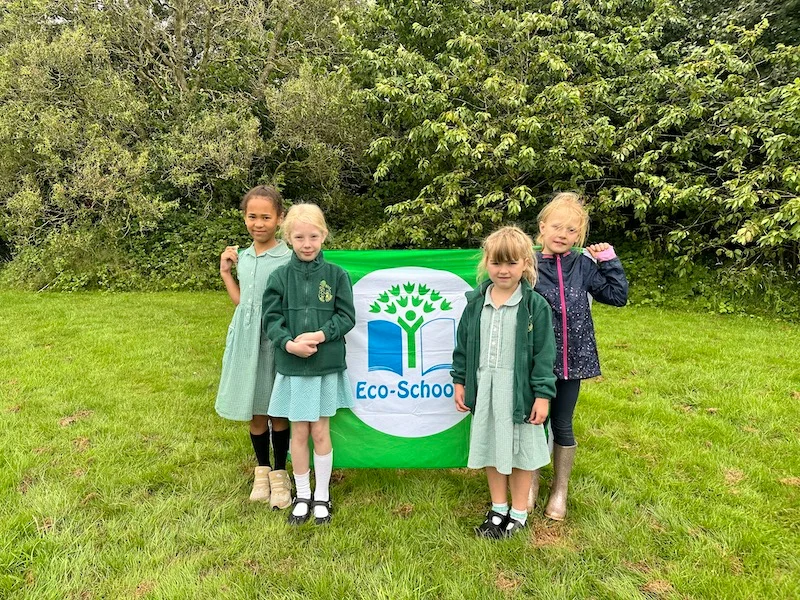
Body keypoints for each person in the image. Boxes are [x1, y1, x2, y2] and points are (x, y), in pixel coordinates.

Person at [451, 226, 557, 538]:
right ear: (486, 263)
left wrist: (542, 395)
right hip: (486, 391)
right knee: (490, 449)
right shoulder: (476, 303)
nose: (503, 270)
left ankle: (519, 512)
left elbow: (544, 354)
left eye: (511, 263)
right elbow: (463, 346)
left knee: (521, 453)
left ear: (526, 263)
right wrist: (460, 381)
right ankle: (498, 508)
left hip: (520, 395)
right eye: (497, 263)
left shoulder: (534, 305)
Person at [529, 192, 628, 520]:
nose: (563, 234)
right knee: (532, 421)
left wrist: (608, 261)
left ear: (580, 236)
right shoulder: (526, 262)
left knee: (562, 423)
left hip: (572, 361)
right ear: (542, 227)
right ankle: (528, 483)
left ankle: (559, 491)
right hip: (534, 362)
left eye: (572, 230)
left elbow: (616, 296)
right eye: (556, 226)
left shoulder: (583, 264)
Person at [262, 203, 355, 525]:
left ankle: (322, 496)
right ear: (288, 238)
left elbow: (346, 318)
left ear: (323, 236)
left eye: (313, 236)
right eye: (299, 237)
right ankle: (302, 494)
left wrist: (320, 334)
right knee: (298, 432)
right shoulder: (279, 277)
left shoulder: (337, 276)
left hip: (325, 366)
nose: (307, 244)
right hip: (293, 367)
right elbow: (271, 319)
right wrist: (289, 343)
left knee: (320, 430)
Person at [215, 185, 293, 509]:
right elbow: (242, 301)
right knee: (255, 408)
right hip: (246, 340)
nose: (258, 223)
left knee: (276, 409)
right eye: (252, 216)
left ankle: (280, 474)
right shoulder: (243, 257)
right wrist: (225, 272)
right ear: (244, 218)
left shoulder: (288, 256)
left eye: (265, 217)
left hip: (272, 339)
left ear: (279, 218)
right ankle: (261, 469)